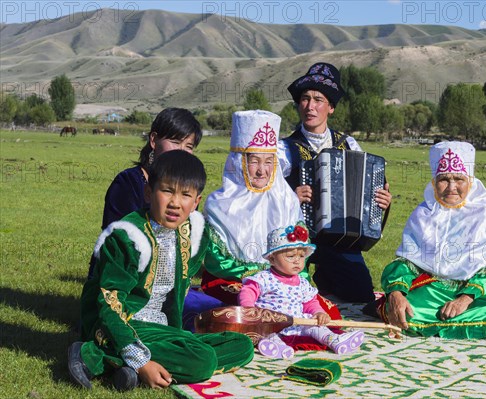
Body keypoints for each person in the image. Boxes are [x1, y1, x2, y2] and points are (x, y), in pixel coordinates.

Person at [68, 150, 254, 391]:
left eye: (186, 195)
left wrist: (270, 270)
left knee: (241, 345)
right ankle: (93, 353)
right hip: (126, 322)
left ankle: (122, 368)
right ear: (149, 192)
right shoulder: (127, 236)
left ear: (196, 201)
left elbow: (224, 264)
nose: (175, 203)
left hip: (164, 328)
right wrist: (143, 362)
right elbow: (109, 304)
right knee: (203, 360)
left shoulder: (195, 234)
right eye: (167, 191)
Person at [379, 141, 486, 340]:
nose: (452, 187)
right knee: (402, 311)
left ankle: (444, 324)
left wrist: (463, 300)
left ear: (470, 180)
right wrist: (396, 294)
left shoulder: (485, 208)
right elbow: (406, 263)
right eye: (444, 179)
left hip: (474, 294)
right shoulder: (423, 214)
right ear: (434, 182)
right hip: (433, 288)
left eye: (459, 179)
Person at [88, 107, 223, 328]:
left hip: (167, 281)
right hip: (129, 284)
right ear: (153, 140)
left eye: (189, 146)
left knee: (218, 311)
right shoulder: (128, 183)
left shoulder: (186, 185)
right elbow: (121, 246)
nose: (181, 151)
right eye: (175, 142)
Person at [278, 62, 392, 303]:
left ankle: (327, 277)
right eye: (305, 99)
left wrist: (381, 199)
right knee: (296, 298)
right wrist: (291, 195)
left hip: (342, 238)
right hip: (297, 236)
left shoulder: (349, 143)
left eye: (318, 100)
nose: (310, 106)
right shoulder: (284, 148)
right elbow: (266, 194)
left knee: (361, 295)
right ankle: (316, 278)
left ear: (330, 107)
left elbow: (372, 186)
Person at [200, 110, 308, 304]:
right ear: (239, 162)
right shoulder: (218, 204)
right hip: (232, 282)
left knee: (321, 312)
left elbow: (300, 251)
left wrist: (292, 282)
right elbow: (215, 261)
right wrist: (261, 277)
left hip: (282, 282)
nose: (262, 171)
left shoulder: (287, 200)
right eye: (254, 161)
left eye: (268, 162)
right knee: (250, 312)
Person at [239, 221, 365, 359]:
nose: (297, 261)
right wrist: (249, 310)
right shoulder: (265, 278)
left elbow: (310, 301)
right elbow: (248, 291)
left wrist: (318, 312)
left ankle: (333, 340)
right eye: (291, 256)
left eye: (301, 256)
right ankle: (274, 346)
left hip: (298, 323)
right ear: (272, 259)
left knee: (315, 326)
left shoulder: (302, 283)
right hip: (272, 322)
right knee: (266, 330)